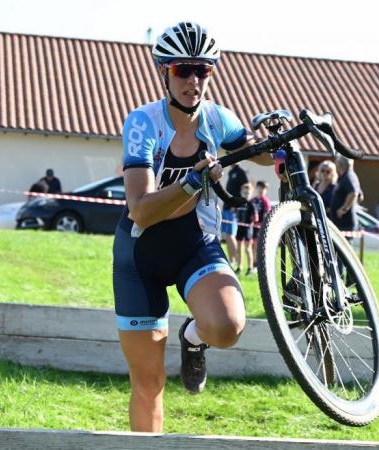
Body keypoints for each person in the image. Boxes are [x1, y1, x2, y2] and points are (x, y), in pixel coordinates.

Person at [113, 22, 272, 433]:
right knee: (149, 384)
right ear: (163, 72)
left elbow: (259, 154)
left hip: (193, 243)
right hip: (140, 252)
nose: (193, 80)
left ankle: (193, 337)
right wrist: (190, 181)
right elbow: (141, 212)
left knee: (227, 327)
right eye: (183, 70)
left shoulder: (217, 119)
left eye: (203, 70)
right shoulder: (144, 123)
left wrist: (286, 143)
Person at [329, 156, 362, 239]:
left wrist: (344, 209)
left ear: (340, 165)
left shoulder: (349, 176)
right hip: (342, 223)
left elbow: (354, 193)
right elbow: (360, 196)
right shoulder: (347, 176)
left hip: (345, 224)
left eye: (336, 163)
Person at [235, 182, 258, 275]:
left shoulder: (251, 204)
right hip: (239, 228)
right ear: (241, 193)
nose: (246, 195)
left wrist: (252, 222)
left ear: (251, 193)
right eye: (244, 193)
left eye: (248, 193)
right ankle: (239, 267)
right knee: (239, 248)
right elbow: (236, 213)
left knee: (247, 249)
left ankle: (250, 267)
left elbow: (256, 217)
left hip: (248, 229)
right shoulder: (239, 203)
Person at [250, 180, 271, 265]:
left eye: (263, 188)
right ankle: (254, 262)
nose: (261, 190)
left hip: (261, 227)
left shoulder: (266, 201)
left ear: (266, 190)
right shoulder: (253, 200)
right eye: (259, 187)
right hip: (252, 227)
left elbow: (267, 214)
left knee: (259, 245)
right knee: (252, 245)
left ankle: (260, 263)